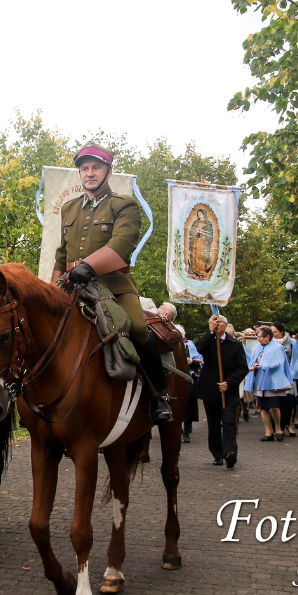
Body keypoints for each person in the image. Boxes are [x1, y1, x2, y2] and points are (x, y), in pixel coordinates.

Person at [49, 144, 171, 424]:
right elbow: (61, 253)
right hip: (71, 286)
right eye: (85, 168)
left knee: (138, 329)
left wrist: (89, 266)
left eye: (96, 167)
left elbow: (122, 243)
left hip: (113, 284)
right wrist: (51, 289)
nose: (89, 173)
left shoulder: (123, 204)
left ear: (108, 171)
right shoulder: (68, 208)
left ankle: (159, 396)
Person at [193, 314, 249, 468]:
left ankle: (230, 452)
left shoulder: (235, 345)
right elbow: (199, 348)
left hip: (228, 391)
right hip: (210, 390)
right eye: (214, 323)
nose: (218, 325)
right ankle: (217, 453)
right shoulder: (208, 342)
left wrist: (229, 383)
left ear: (226, 325)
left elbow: (243, 368)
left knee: (229, 421)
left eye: (220, 323)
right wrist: (210, 332)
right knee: (213, 423)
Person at [245, 327, 293, 442]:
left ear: (267, 337)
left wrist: (262, 366)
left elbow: (278, 363)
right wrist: (254, 366)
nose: (258, 339)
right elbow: (253, 360)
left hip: (272, 382)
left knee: (275, 407)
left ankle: (278, 428)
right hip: (260, 381)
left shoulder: (277, 348)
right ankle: (268, 432)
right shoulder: (258, 347)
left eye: (260, 337)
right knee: (264, 408)